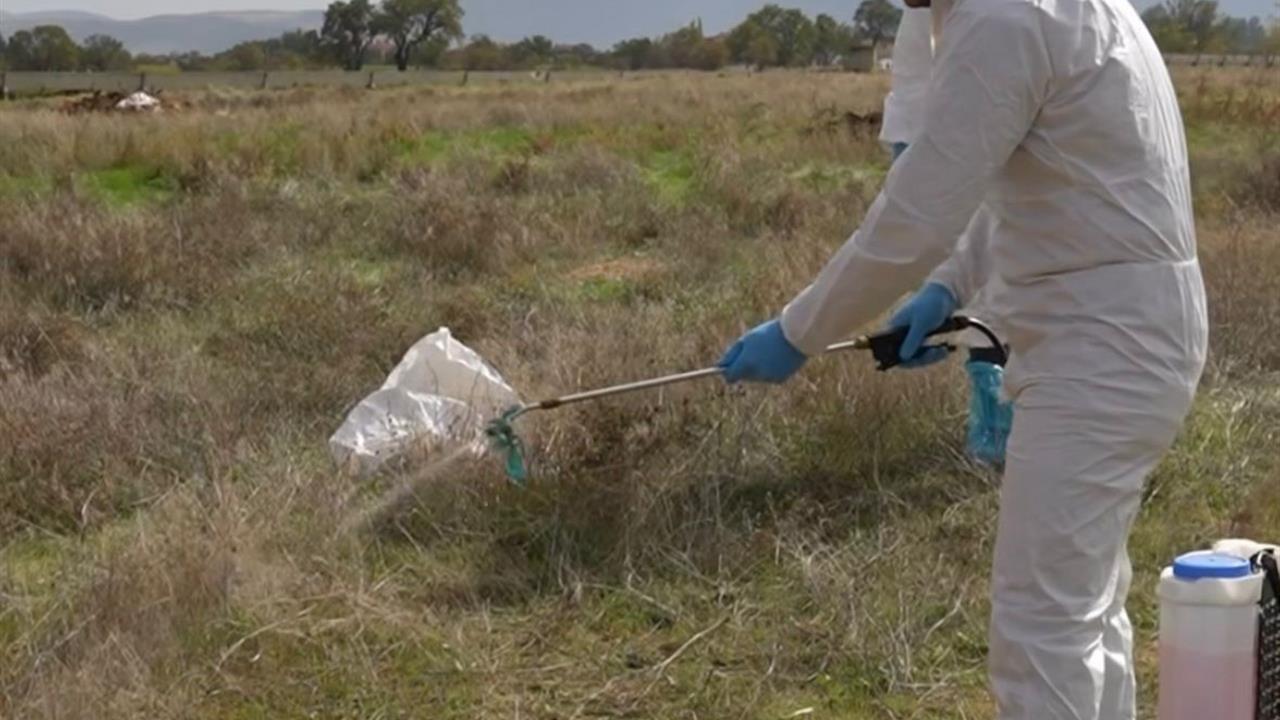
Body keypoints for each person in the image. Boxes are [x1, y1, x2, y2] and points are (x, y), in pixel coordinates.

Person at [718, 0, 1209, 715]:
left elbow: (917, 214)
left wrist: (799, 332)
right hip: (1123, 337)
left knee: (1042, 625)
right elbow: (1021, 179)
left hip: (1103, 348)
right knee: (1084, 607)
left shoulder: (1004, 17)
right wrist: (947, 288)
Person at [881, 6, 1013, 466]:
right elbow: (912, 92)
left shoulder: (1012, 20)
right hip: (947, 154)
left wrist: (798, 334)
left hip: (1002, 157)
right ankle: (992, 414)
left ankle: (1011, 418)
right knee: (969, 286)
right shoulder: (921, 20)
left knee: (1004, 284)